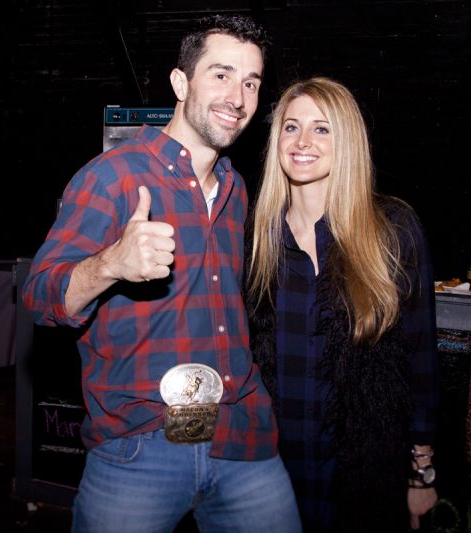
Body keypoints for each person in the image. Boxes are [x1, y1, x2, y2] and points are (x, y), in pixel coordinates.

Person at [22, 14, 301, 533]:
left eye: (251, 82)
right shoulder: (114, 176)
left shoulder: (237, 188)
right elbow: (39, 297)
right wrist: (111, 264)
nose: (237, 97)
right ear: (180, 82)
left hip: (241, 436)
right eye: (220, 74)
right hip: (140, 445)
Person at [245, 77, 440, 531]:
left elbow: (421, 360)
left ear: (347, 140)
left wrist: (421, 473)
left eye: (322, 128)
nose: (303, 141)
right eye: (291, 127)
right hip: (269, 475)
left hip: (365, 477)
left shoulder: (392, 229)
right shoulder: (255, 240)